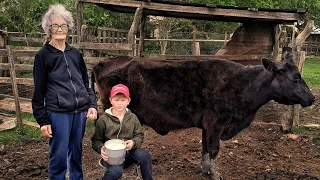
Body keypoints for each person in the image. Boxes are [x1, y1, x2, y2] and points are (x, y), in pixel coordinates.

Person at [31, 4, 98, 180]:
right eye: (55, 25)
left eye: (63, 25)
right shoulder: (43, 56)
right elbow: (38, 92)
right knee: (59, 156)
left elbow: (85, 82)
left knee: (76, 152)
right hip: (58, 112)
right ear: (48, 29)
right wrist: (42, 121)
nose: (60, 29)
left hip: (80, 112)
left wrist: (91, 104)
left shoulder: (75, 53)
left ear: (68, 29)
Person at [91, 84, 153, 180]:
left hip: (129, 153)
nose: (119, 103)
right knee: (116, 172)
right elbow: (96, 141)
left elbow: (139, 135)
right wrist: (101, 149)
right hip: (112, 157)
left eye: (123, 100)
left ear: (128, 101)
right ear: (111, 100)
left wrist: (133, 142)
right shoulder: (103, 120)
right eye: (116, 100)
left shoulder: (132, 118)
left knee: (144, 156)